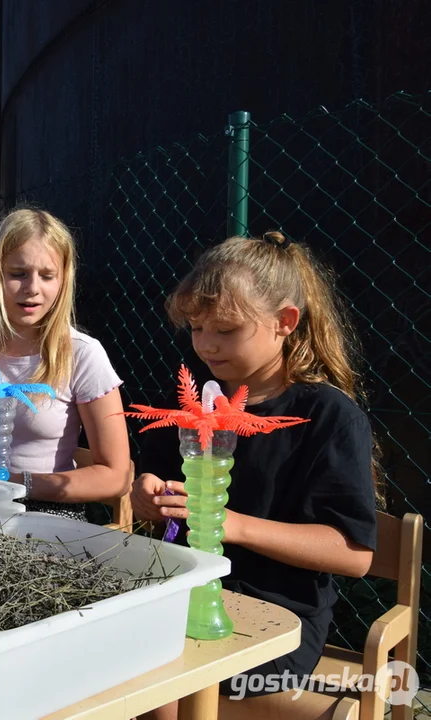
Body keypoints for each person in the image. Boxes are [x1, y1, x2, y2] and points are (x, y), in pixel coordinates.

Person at [130, 232, 378, 719]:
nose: (205, 345)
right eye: (197, 328)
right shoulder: (197, 404)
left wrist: (232, 524)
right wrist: (148, 495)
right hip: (184, 593)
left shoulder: (327, 416)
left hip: (279, 623)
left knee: (161, 684)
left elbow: (353, 553)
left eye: (225, 329)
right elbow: (157, 484)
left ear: (284, 322)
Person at [0, 208, 131, 518]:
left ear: (63, 279)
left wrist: (16, 483)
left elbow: (116, 476)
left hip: (46, 513)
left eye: (47, 275)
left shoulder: (82, 355)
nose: (33, 288)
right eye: (18, 273)